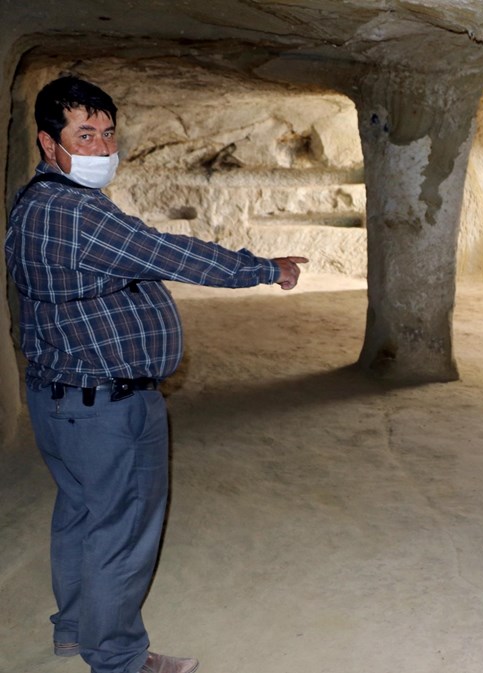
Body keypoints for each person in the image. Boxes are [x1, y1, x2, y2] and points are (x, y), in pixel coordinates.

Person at [4, 75, 308, 673]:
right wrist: (264, 268)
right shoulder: (75, 214)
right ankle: (118, 659)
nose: (100, 147)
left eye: (107, 133)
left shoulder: (36, 203)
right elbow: (171, 254)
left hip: (61, 397)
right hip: (105, 408)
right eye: (83, 134)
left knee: (80, 514)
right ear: (48, 142)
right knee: (120, 530)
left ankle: (73, 629)